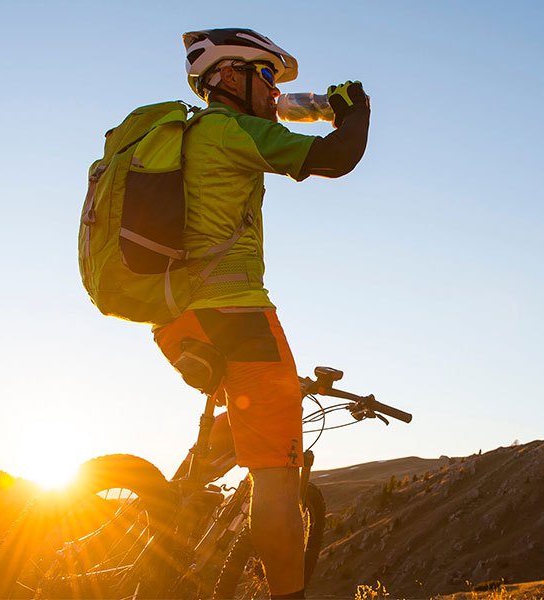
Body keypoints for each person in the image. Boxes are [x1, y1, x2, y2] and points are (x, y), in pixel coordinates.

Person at [153, 28, 370, 599]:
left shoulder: (188, 134)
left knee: (234, 425)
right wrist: (355, 113)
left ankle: (148, 536)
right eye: (267, 76)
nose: (275, 90)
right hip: (238, 315)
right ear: (227, 76)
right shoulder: (233, 130)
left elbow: (285, 116)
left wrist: (308, 106)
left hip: (175, 317)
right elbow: (336, 157)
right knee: (274, 480)